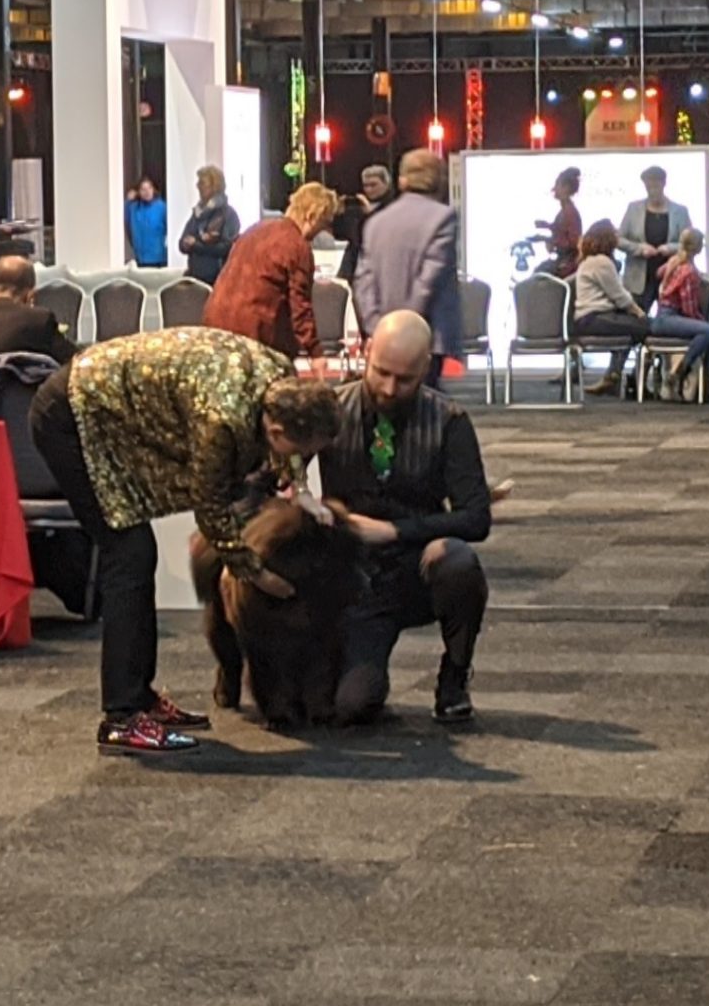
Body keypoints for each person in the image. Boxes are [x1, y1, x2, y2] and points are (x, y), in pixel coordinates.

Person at [29, 327, 341, 755]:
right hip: (70, 414)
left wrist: (301, 488)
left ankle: (140, 698)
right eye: (303, 450)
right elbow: (211, 512)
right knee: (129, 554)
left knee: (136, 553)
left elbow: (284, 454)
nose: (305, 457)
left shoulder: (282, 379)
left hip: (109, 405)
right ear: (276, 430)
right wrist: (257, 574)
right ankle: (122, 716)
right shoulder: (224, 422)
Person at [317, 310, 490, 724]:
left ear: (426, 368)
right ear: (366, 353)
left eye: (405, 379)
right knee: (351, 707)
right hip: (350, 581)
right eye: (381, 373)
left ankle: (455, 672)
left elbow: (476, 518)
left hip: (415, 574)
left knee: (456, 560)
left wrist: (395, 531)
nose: (390, 388)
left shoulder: (449, 421)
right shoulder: (329, 411)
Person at [202, 181, 338, 379]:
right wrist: (316, 353)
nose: (324, 231)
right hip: (253, 338)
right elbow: (300, 307)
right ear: (312, 216)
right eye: (325, 222)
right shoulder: (297, 246)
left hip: (213, 327)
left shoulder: (254, 230)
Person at [353, 148, 461, 388]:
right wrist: (407, 328)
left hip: (382, 332)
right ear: (439, 179)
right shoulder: (443, 217)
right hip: (427, 335)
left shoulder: (375, 222)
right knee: (427, 411)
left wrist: (377, 328)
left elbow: (363, 281)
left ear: (402, 179)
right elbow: (429, 279)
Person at [574, 219, 651, 396]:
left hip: (590, 318)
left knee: (629, 330)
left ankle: (613, 376)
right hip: (594, 318)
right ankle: (627, 378)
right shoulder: (601, 263)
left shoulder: (589, 261)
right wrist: (640, 314)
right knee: (647, 327)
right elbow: (620, 297)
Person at [654, 227, 709, 400]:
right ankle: (691, 376)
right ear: (699, 248)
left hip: (662, 317)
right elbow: (689, 309)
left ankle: (693, 379)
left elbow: (659, 273)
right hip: (669, 318)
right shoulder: (689, 272)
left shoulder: (673, 262)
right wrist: (703, 322)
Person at [618, 165, 692, 313]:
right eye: (648, 186)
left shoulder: (680, 211)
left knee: (668, 321)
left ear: (664, 184)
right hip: (638, 278)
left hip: (670, 275)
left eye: (655, 185)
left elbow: (690, 244)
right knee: (636, 323)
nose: (652, 190)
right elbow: (619, 239)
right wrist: (639, 249)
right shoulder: (633, 208)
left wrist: (669, 248)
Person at [178, 165, 240, 285]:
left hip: (218, 280)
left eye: (202, 183)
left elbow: (227, 248)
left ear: (214, 187)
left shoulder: (228, 215)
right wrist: (185, 244)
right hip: (195, 278)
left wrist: (196, 245)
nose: (198, 187)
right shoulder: (197, 214)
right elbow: (182, 242)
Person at [337, 164, 393, 283]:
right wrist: (340, 215)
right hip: (357, 262)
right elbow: (343, 236)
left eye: (373, 185)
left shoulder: (394, 208)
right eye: (366, 186)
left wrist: (370, 214)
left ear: (386, 184)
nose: (369, 190)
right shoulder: (357, 208)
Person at [534, 166, 582, 278]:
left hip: (566, 267)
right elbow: (562, 231)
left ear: (566, 188)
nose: (553, 189)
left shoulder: (570, 212)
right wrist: (547, 226)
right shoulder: (565, 210)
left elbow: (573, 242)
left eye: (557, 185)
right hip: (562, 262)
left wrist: (547, 239)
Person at [124, 176, 167, 268]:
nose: (147, 192)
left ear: (153, 189)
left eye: (149, 188)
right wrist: (128, 201)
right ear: (138, 192)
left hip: (158, 257)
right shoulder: (134, 208)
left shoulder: (162, 207)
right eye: (143, 189)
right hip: (140, 257)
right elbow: (125, 220)